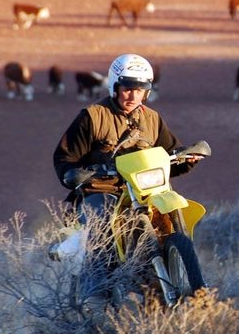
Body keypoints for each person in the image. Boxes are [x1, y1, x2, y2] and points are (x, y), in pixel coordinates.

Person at [52, 53, 206, 308]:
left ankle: (182, 286)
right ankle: (95, 296)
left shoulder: (152, 119)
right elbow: (65, 156)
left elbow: (169, 154)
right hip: (101, 189)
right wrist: (73, 173)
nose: (132, 96)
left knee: (163, 222)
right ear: (115, 86)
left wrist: (186, 159)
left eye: (139, 90)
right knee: (101, 222)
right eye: (127, 88)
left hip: (143, 190)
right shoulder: (93, 116)